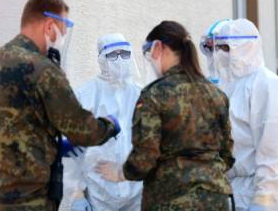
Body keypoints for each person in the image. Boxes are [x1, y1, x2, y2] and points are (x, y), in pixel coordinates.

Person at [0, 0, 120, 211]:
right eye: (61, 32)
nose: (60, 39)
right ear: (49, 26)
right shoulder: (43, 70)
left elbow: (3, 129)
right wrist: (110, 125)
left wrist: (53, 147)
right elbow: (82, 130)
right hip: (26, 200)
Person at [97, 21, 235, 211]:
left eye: (148, 51)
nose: (150, 59)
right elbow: (227, 154)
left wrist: (120, 173)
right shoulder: (215, 94)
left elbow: (145, 157)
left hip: (171, 199)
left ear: (159, 47)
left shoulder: (154, 95)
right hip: (215, 198)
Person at [200, 18, 278, 211]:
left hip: (259, 194)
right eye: (214, 49)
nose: (218, 55)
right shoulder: (228, 89)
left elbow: (274, 157)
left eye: (225, 48)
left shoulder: (267, 86)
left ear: (245, 47)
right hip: (231, 194)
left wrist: (264, 203)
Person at [67, 33, 143, 211]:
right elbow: (71, 145)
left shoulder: (141, 94)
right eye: (112, 54)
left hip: (136, 191)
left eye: (124, 54)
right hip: (99, 192)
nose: (119, 60)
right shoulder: (86, 94)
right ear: (101, 59)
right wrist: (76, 193)